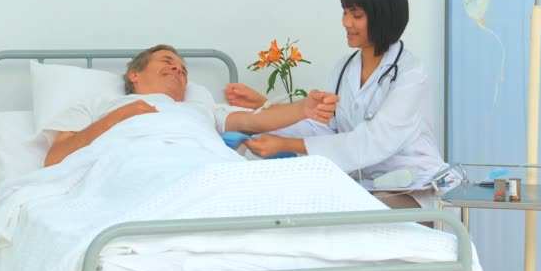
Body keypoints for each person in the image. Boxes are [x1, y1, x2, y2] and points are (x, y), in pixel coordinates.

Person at [224, 0, 448, 211]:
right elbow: (321, 126)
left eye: (356, 15)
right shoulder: (345, 69)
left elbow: (371, 142)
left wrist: (286, 144)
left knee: (342, 216)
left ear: (383, 15)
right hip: (370, 186)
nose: (346, 22)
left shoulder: (411, 74)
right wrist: (261, 113)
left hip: (416, 188)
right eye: (344, 13)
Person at [44, 44, 339, 167]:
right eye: (167, 62)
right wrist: (116, 118)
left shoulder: (199, 109)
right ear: (135, 75)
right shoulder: (101, 106)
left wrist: (304, 108)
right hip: (130, 165)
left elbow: (255, 122)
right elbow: (55, 159)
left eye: (183, 69)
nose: (178, 70)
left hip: (203, 168)